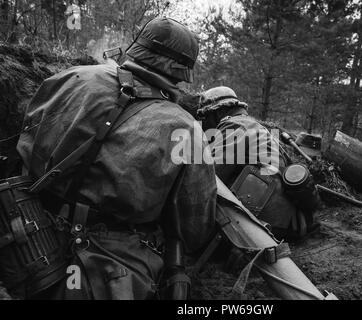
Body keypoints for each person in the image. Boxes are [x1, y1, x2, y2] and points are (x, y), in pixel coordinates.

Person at [14, 17, 216, 300]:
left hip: (27, 237)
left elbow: (24, 142)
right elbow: (194, 226)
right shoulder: (185, 128)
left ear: (137, 47)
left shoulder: (71, 77)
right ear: (182, 72)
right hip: (109, 267)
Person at [197, 86, 319, 241]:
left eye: (206, 116)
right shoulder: (254, 126)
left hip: (267, 224)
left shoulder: (235, 126)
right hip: (287, 220)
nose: (205, 123)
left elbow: (211, 176)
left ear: (218, 112)